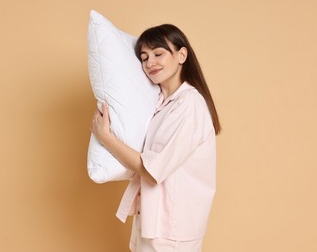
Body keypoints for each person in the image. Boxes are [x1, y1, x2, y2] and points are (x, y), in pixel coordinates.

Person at [91, 24, 221, 252]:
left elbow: (153, 169)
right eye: (144, 57)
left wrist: (106, 137)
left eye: (158, 54)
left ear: (182, 55)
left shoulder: (189, 105)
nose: (150, 63)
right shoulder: (158, 103)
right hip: (152, 223)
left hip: (173, 231)